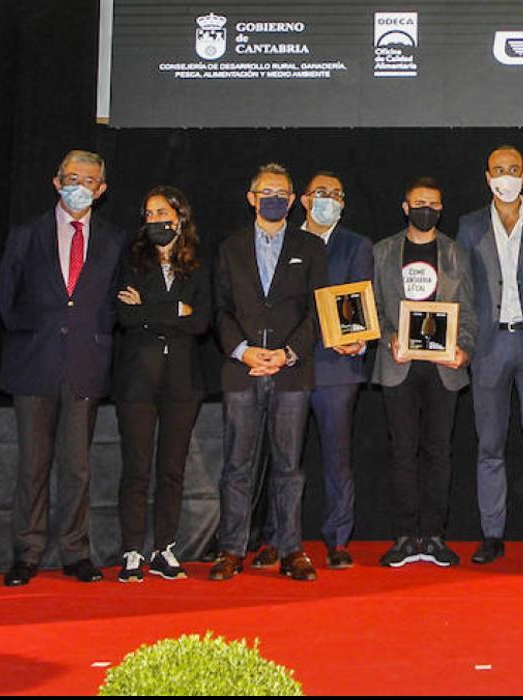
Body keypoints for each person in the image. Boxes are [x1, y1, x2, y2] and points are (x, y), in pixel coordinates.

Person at [0, 150, 127, 587]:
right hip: (33, 364)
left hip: (85, 366)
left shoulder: (113, 240)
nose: (80, 186)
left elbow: (111, 303)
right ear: (56, 182)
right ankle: (26, 552)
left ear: (102, 189)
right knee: (32, 466)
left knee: (77, 467)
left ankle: (76, 551)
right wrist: (35, 335)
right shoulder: (26, 234)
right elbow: (6, 298)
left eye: (89, 180)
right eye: (72, 177)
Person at [209, 163, 328, 582]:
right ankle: (230, 548)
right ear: (251, 197)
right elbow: (220, 308)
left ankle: (291, 548)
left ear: (293, 200)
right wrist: (243, 352)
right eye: (266, 192)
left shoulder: (310, 247)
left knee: (289, 466)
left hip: (290, 372)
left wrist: (288, 353)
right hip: (242, 370)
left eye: (282, 192)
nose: (274, 198)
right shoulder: (229, 247)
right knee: (237, 466)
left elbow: (319, 310)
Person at [456, 145, 523, 565]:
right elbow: (463, 290)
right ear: (487, 177)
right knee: (489, 445)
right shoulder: (469, 226)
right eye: (498, 170)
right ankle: (492, 534)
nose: (505, 176)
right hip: (488, 346)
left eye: (512, 169)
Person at [373, 177, 476, 568]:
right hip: (398, 363)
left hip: (442, 368)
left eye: (432, 203)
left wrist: (463, 351)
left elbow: (469, 311)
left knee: (439, 452)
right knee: (401, 451)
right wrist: (389, 338)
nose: (425, 209)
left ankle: (433, 535)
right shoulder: (382, 251)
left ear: (441, 208)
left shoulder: (456, 253)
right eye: (418, 203)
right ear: (405, 207)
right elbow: (375, 309)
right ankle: (403, 536)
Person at [111, 186, 210, 583]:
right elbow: (125, 316)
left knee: (172, 469)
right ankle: (132, 549)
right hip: (136, 381)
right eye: (148, 213)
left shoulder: (198, 266)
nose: (154, 220)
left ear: (180, 217)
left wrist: (150, 311)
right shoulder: (132, 261)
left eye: (162, 212)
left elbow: (200, 322)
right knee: (136, 468)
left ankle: (163, 548)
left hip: (182, 383)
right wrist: (173, 310)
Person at [299, 171, 372, 570]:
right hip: (289, 364)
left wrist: (358, 338)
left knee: (337, 458)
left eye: (337, 194)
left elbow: (360, 300)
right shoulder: (283, 241)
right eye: (322, 193)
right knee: (283, 460)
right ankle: (279, 539)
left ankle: (338, 539)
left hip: (337, 367)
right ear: (305, 200)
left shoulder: (356, 245)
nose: (329, 199)